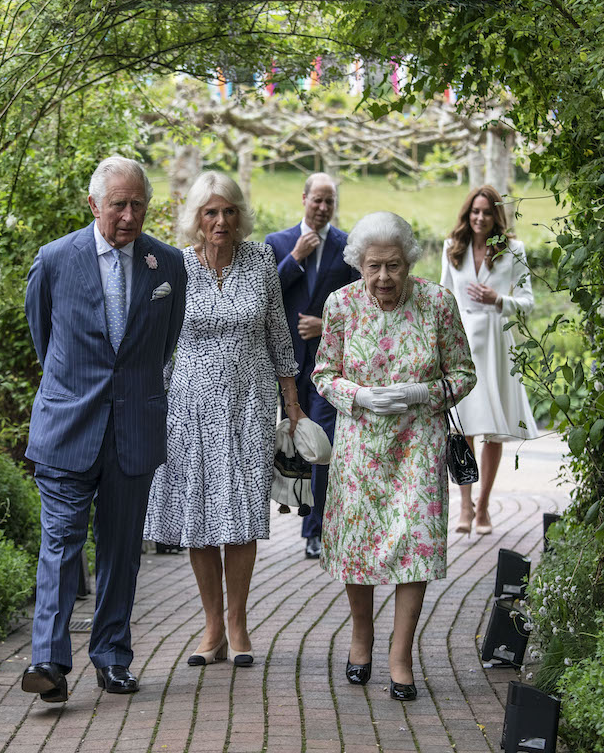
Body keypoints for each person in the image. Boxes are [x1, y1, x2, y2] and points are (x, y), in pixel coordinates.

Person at [20, 156, 187, 703]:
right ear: (94, 205)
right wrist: (78, 390)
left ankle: (112, 657)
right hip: (69, 427)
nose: (130, 214)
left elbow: (164, 345)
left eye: (139, 203)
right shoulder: (54, 260)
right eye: (119, 204)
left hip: (133, 428)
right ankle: (48, 658)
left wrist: (131, 393)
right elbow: (44, 340)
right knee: (61, 543)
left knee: (121, 551)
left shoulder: (168, 266)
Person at [312, 211, 475, 700]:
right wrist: (359, 396)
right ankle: (361, 637)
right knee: (359, 546)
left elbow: (464, 374)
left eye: (394, 266)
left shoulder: (437, 304)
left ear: (409, 262)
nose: (384, 277)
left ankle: (400, 656)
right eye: (374, 266)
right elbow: (322, 374)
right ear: (359, 263)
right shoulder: (340, 306)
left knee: (416, 546)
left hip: (418, 447)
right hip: (360, 447)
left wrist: (421, 393)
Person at [145, 171, 305, 668]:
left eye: (229, 211)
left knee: (239, 517)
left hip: (249, 406)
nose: (221, 221)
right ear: (197, 217)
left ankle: (237, 622)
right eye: (211, 212)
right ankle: (212, 624)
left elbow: (279, 331)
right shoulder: (174, 265)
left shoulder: (260, 259)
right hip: (188, 407)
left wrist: (292, 401)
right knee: (198, 515)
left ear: (241, 216)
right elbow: (158, 338)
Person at [265, 173, 360, 560]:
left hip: (328, 366)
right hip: (285, 365)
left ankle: (315, 530)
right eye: (316, 200)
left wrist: (326, 325)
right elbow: (266, 293)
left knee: (321, 445)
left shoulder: (348, 245)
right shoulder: (278, 243)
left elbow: (359, 302)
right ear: (303, 198)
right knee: (294, 444)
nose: (322, 208)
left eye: (329, 202)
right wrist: (296, 258)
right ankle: (299, 517)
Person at [439, 185, 539, 535]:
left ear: (496, 216)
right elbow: (443, 298)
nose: (479, 218)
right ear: (467, 214)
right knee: (462, 427)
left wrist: (499, 299)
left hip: (497, 346)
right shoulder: (453, 249)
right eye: (474, 212)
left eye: (486, 212)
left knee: (493, 431)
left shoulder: (514, 250)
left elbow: (528, 302)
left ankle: (483, 507)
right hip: (462, 345)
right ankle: (464, 507)